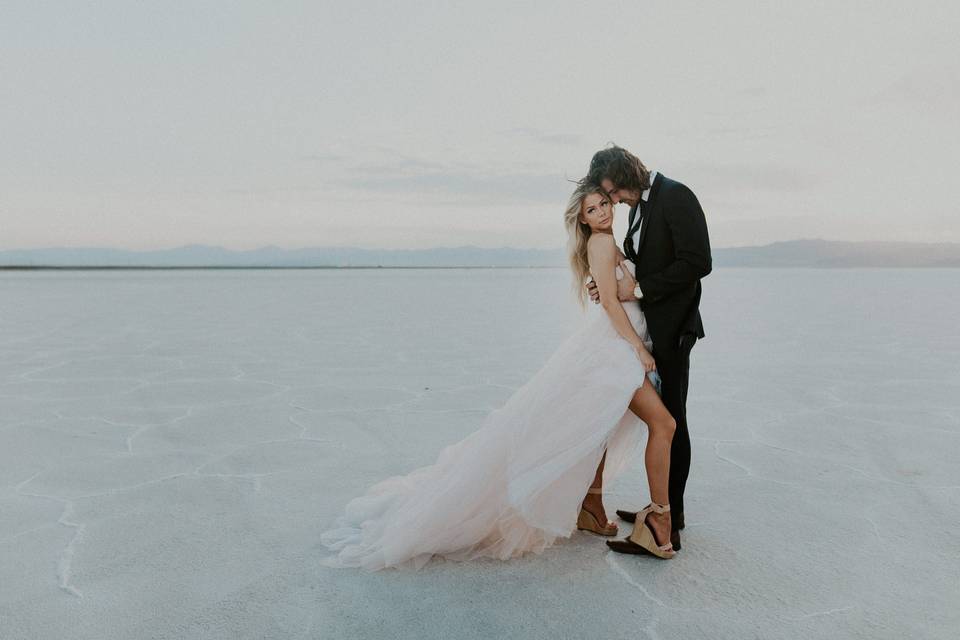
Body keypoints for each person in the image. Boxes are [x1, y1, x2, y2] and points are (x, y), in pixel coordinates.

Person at [320, 183, 678, 571]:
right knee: (663, 423)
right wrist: (639, 349)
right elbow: (609, 302)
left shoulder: (611, 241)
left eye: (604, 204)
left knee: (599, 428)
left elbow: (616, 292)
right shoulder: (602, 244)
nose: (602, 212)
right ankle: (658, 518)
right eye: (592, 210)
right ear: (583, 220)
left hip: (615, 346)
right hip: (615, 351)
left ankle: (591, 506)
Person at [585, 144, 712, 553]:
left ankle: (669, 520)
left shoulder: (676, 195)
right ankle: (664, 509)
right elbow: (643, 264)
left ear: (627, 176)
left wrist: (636, 288)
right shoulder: (640, 209)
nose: (615, 201)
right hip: (650, 328)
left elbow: (698, 261)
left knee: (674, 419)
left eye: (615, 192)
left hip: (674, 328)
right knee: (661, 418)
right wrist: (610, 286)